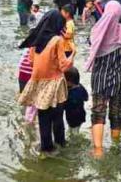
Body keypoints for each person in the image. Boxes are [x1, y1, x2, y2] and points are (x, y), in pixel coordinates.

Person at [18, 11, 75, 153]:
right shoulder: (57, 40)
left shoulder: (36, 39)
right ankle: (61, 145)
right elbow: (63, 66)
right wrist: (73, 53)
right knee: (57, 118)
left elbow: (31, 61)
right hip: (55, 84)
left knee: (43, 119)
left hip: (38, 83)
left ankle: (46, 149)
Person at [84, 1, 121, 157]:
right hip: (120, 76)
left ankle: (98, 149)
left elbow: (91, 46)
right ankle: (116, 145)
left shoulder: (96, 30)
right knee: (117, 111)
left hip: (100, 77)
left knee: (98, 110)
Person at [63, 67, 89, 131]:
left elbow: (66, 105)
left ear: (69, 81)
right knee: (75, 130)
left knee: (73, 132)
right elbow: (86, 98)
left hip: (73, 118)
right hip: (81, 115)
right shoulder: (80, 86)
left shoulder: (71, 93)